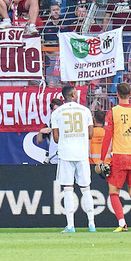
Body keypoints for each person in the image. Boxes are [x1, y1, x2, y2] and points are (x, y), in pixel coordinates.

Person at [96, 81, 131, 231]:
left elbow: (107, 137)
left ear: (117, 94)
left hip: (119, 155)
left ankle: (122, 223)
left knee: (114, 192)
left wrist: (101, 158)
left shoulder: (113, 112)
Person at [48, 84, 97, 233]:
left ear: (64, 97)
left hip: (66, 153)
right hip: (81, 153)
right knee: (86, 189)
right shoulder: (85, 111)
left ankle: (70, 225)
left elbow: (56, 138)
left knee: (68, 189)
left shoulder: (57, 113)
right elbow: (90, 135)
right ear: (74, 94)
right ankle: (91, 224)